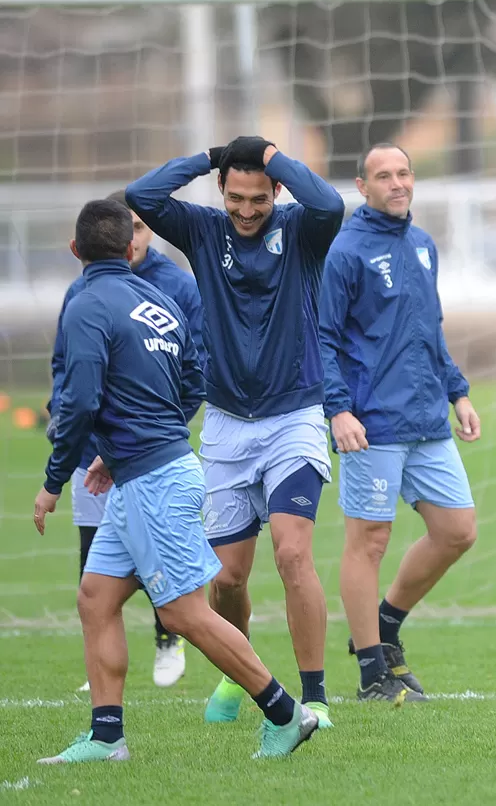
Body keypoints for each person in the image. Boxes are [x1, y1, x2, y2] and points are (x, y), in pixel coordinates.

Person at [35, 199, 318, 763]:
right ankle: (107, 737)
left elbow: (79, 400)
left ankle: (287, 713)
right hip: (150, 470)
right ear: (129, 246)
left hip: (153, 484)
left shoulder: (86, 303)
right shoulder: (158, 301)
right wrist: (129, 447)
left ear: (76, 251)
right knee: (96, 598)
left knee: (184, 614)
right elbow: (196, 378)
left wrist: (52, 480)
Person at [125, 135, 345, 727]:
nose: (247, 210)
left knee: (293, 552)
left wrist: (273, 156)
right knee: (226, 579)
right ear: (220, 193)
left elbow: (329, 204)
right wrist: (209, 156)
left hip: (295, 415)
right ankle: (238, 673)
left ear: (275, 192)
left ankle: (316, 696)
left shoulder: (301, 228)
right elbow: (140, 195)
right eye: (235, 198)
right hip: (225, 425)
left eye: (258, 198)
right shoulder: (201, 229)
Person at [318, 143, 481, 702]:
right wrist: (337, 408)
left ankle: (385, 628)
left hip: (427, 416)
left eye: (404, 172)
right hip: (372, 423)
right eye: (383, 176)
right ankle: (371, 674)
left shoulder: (422, 243)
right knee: (369, 541)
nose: (397, 183)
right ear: (362, 187)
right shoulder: (344, 252)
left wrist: (458, 392)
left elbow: (428, 328)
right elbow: (323, 340)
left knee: (457, 531)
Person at [51, 189, 204, 693]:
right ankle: (105, 726)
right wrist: (72, 431)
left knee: (183, 609)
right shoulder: (83, 295)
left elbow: (192, 377)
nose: (133, 237)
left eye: (141, 226)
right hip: (101, 456)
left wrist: (152, 430)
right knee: (94, 585)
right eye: (127, 228)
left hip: (148, 461)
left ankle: (281, 708)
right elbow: (68, 375)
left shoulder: (175, 289)